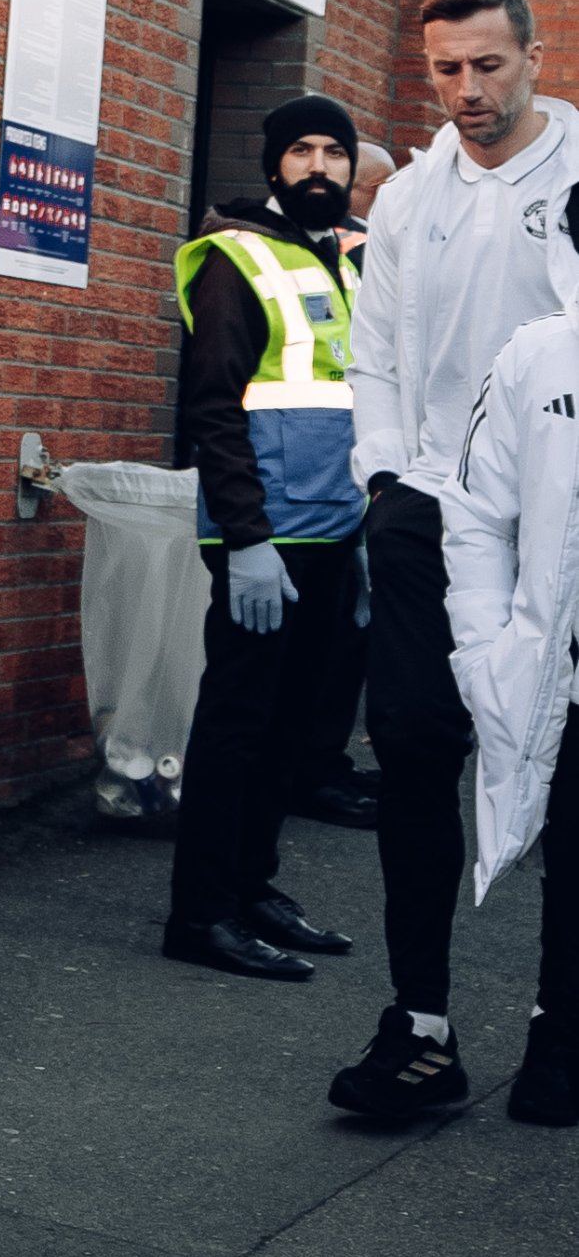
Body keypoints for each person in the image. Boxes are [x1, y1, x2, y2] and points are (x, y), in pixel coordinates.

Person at [330, 0, 579, 1123]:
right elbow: (372, 351)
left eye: (487, 65)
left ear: (532, 56)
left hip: (557, 517)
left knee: (564, 772)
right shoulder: (408, 197)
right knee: (418, 756)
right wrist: (385, 474)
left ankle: (560, 1030)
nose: (467, 90)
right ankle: (419, 1029)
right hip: (428, 510)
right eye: (445, 70)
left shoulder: (576, 173)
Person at [162, 96, 368, 976]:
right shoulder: (233, 258)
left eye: (332, 151)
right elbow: (211, 408)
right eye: (300, 151)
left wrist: (366, 527)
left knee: (292, 727)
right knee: (236, 725)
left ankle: (251, 887)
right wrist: (244, 538)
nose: (318, 165)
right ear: (273, 164)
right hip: (264, 539)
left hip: (332, 531)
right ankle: (199, 914)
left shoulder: (349, 259)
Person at [429, 192, 579, 1150]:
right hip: (562, 672)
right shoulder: (537, 355)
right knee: (569, 867)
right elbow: (477, 513)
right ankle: (556, 1033)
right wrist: (485, 647)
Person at [286, 132, 397, 833]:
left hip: (341, 478)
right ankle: (315, 770)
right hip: (328, 483)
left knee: (341, 638)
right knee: (334, 643)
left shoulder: (341, 254)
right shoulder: (353, 255)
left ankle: (318, 766)